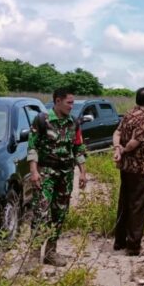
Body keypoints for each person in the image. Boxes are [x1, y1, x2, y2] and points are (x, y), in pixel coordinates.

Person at [27, 87, 88, 267]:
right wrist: (34, 171)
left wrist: (83, 172)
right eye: (69, 102)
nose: (72, 106)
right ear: (58, 101)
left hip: (65, 175)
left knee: (59, 214)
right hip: (46, 173)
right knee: (41, 213)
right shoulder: (42, 120)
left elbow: (78, 148)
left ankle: (51, 253)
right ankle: (32, 257)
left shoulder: (73, 123)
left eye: (73, 103)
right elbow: (32, 147)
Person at [113, 87, 144, 256]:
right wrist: (122, 150)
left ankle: (119, 241)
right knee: (138, 205)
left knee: (125, 202)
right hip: (140, 168)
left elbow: (117, 132)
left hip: (126, 167)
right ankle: (133, 245)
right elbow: (134, 142)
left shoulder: (128, 114)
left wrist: (117, 148)